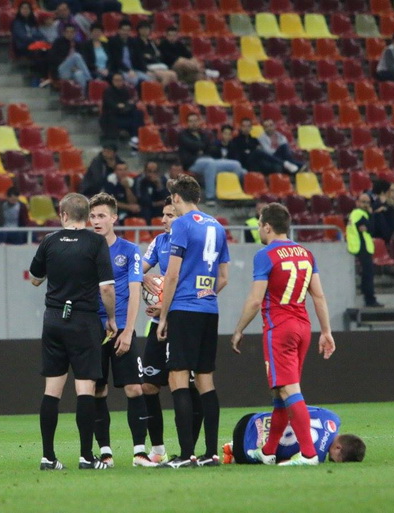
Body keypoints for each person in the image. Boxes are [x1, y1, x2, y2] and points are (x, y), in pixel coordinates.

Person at [230, 203, 336, 466]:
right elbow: (319, 295)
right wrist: (326, 331)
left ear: (267, 226)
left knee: (289, 390)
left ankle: (309, 454)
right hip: (303, 328)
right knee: (280, 392)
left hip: (280, 329)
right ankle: (268, 451)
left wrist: (239, 329)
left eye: (259, 224)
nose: (258, 228)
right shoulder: (306, 254)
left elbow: (255, 301)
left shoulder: (265, 255)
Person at [29, 192, 117, 470]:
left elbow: (34, 278)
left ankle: (47, 456)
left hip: (53, 319)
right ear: (87, 215)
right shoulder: (95, 242)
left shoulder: (50, 241)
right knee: (85, 388)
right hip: (84, 320)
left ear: (63, 214)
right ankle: (86, 456)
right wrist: (111, 318)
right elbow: (106, 287)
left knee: (52, 390)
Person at [157, 174, 230, 467]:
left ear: (176, 198)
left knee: (178, 378)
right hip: (209, 310)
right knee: (205, 380)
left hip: (184, 310)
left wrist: (163, 316)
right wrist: (206, 292)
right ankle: (211, 453)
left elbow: (172, 275)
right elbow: (224, 277)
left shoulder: (181, 225)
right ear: (198, 198)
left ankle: (186, 454)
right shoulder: (218, 226)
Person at [88, 193, 155, 467]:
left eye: (101, 215)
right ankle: (105, 451)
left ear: (114, 218)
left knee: (134, 389)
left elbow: (134, 290)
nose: (96, 221)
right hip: (94, 329)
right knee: (97, 391)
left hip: (122, 328)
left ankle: (139, 452)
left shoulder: (129, 251)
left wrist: (128, 331)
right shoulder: (86, 249)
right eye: (92, 216)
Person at [140, 197, 203, 463]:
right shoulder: (159, 242)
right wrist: (142, 276)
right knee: (148, 386)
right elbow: (138, 270)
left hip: (185, 322)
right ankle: (157, 450)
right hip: (157, 325)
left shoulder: (195, 242)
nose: (163, 220)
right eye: (163, 215)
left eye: (169, 215)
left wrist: (167, 306)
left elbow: (200, 285)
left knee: (192, 387)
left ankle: (189, 449)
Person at [222, 406, 366, 464]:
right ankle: (233, 452)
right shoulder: (316, 455)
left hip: (248, 420)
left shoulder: (332, 417)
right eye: (336, 460)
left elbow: (296, 406)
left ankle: (232, 448)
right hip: (244, 451)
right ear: (339, 448)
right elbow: (283, 463)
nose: (333, 461)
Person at [178, 113, 245, 207]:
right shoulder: (183, 134)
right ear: (187, 123)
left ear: (199, 122)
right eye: (191, 121)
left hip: (208, 160)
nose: (193, 123)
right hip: (192, 163)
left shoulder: (204, 134)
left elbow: (210, 147)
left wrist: (201, 148)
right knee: (210, 163)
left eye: (195, 121)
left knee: (236, 164)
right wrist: (201, 147)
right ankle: (210, 197)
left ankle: (230, 193)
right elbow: (193, 145)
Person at [347, 193, 382, 307]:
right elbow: (371, 228)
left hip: (361, 246)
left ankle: (366, 293)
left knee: (367, 273)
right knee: (368, 273)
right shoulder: (359, 214)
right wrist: (371, 215)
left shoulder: (358, 214)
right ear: (357, 202)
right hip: (361, 246)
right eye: (363, 202)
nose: (366, 205)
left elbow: (368, 228)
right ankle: (370, 299)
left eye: (367, 202)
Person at [99, 73, 144, 147]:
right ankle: (134, 137)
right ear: (112, 81)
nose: (118, 82)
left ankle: (135, 137)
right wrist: (120, 106)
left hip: (124, 113)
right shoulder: (108, 91)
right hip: (112, 117)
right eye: (116, 80)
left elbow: (128, 104)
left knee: (138, 113)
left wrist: (125, 106)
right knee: (134, 122)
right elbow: (110, 105)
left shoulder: (125, 91)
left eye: (120, 80)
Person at [50, 24, 92, 94]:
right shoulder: (58, 42)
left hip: (74, 70)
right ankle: (89, 78)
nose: (69, 34)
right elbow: (53, 58)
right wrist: (69, 63)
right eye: (67, 32)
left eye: (72, 32)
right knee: (76, 56)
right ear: (63, 33)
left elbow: (83, 60)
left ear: (75, 33)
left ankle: (83, 95)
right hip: (61, 69)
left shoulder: (78, 44)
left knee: (79, 74)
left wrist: (76, 67)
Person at [107, 20, 151, 87]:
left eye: (128, 30)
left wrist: (145, 70)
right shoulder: (113, 42)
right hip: (120, 70)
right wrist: (128, 70)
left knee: (149, 79)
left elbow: (139, 58)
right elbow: (116, 60)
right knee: (134, 80)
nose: (125, 32)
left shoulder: (133, 41)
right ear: (119, 30)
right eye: (123, 30)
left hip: (133, 69)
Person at [132, 21, 177, 85]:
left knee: (174, 75)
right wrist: (148, 57)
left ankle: (172, 93)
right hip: (146, 66)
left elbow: (157, 55)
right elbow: (139, 56)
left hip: (155, 64)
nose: (145, 30)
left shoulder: (151, 42)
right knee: (167, 76)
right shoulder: (135, 42)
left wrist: (150, 56)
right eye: (143, 29)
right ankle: (160, 92)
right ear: (139, 30)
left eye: (147, 29)